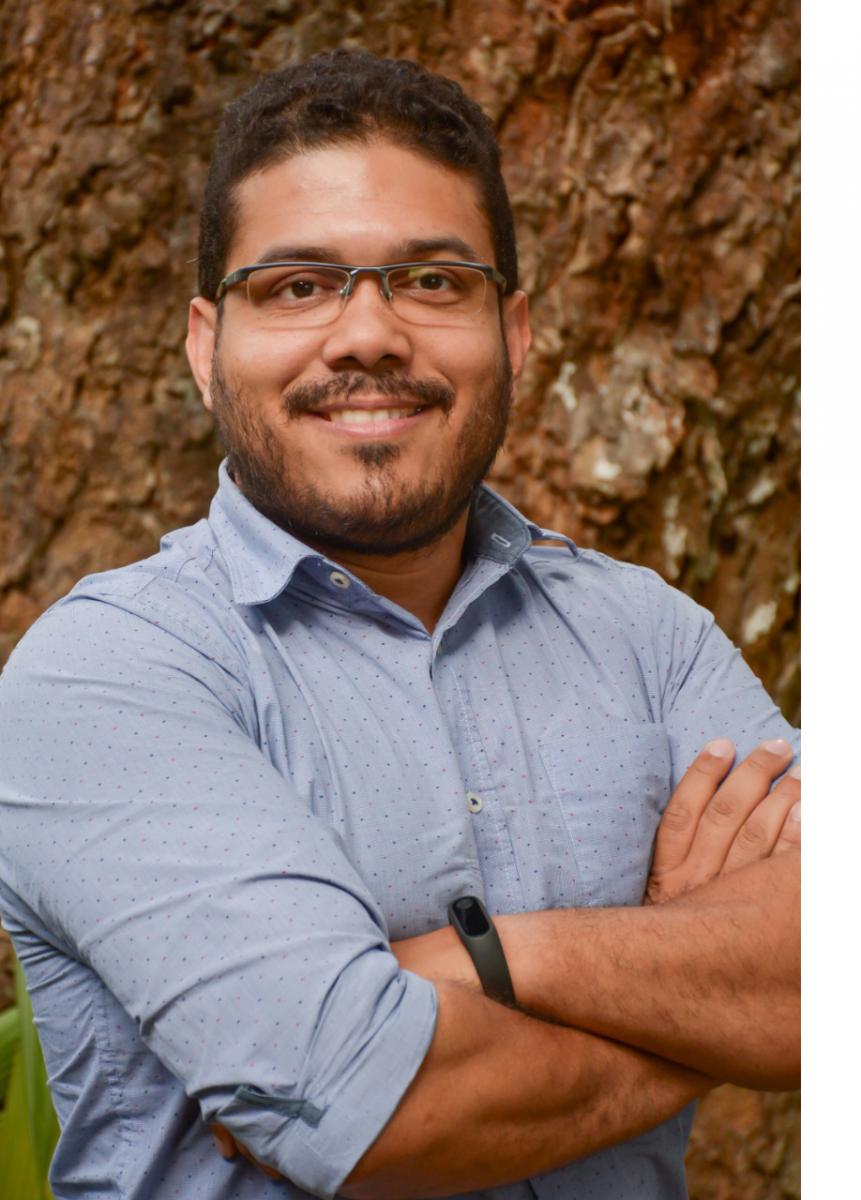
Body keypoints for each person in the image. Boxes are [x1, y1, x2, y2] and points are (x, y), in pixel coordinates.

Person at [0, 49, 799, 1200]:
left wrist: (495, 962)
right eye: (295, 284)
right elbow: (381, 1119)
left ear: (513, 333)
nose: (367, 334)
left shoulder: (651, 637)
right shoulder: (109, 675)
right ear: (201, 346)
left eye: (431, 281)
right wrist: (711, 996)